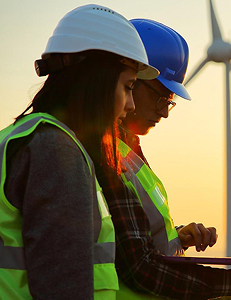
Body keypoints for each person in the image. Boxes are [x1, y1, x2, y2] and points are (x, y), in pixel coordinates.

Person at [98, 19, 231, 299]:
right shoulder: (103, 153)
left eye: (170, 101)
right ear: (131, 78)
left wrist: (176, 237)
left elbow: (132, 240)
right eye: (161, 96)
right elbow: (138, 267)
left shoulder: (129, 151)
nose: (164, 112)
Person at [0, 5, 158, 300]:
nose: (131, 105)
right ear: (97, 80)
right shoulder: (56, 152)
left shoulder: (21, 137)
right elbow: (63, 284)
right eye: (128, 87)